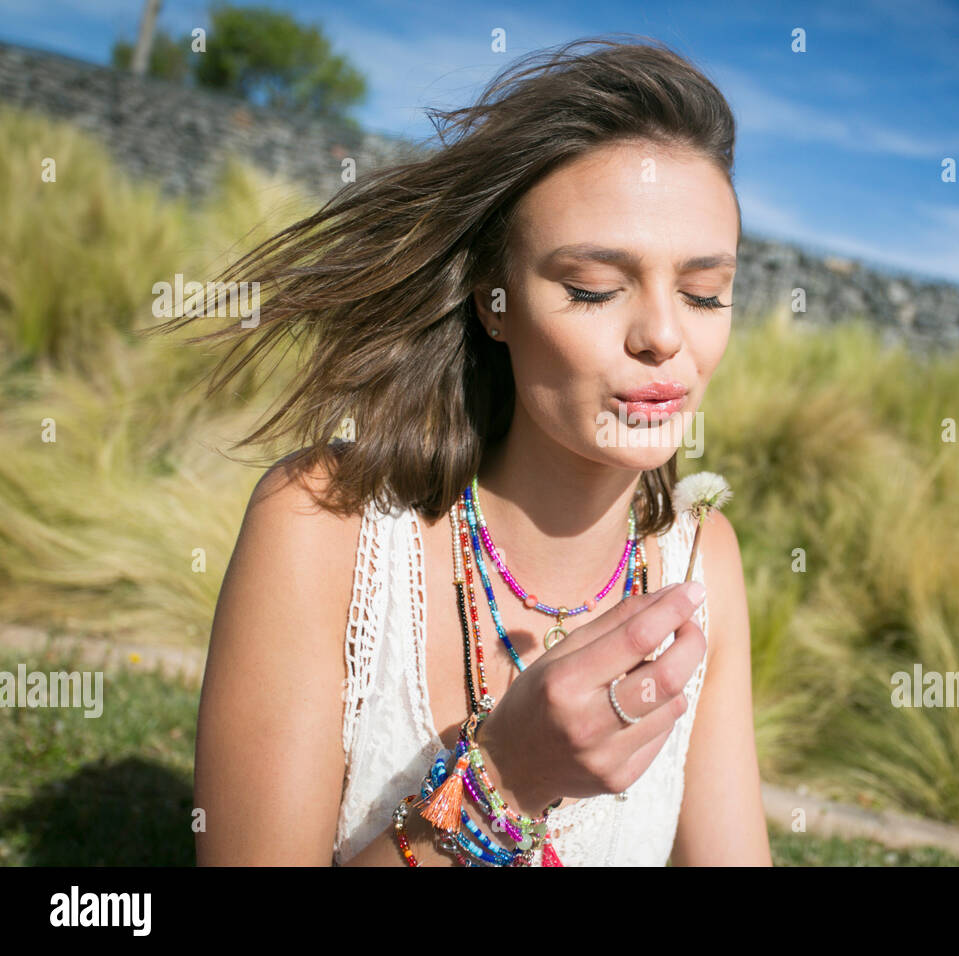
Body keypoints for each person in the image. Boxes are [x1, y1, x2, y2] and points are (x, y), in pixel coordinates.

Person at [181, 35, 771, 866]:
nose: (665, 336)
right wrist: (507, 781)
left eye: (706, 294)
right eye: (593, 289)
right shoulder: (323, 526)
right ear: (494, 303)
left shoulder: (701, 562)